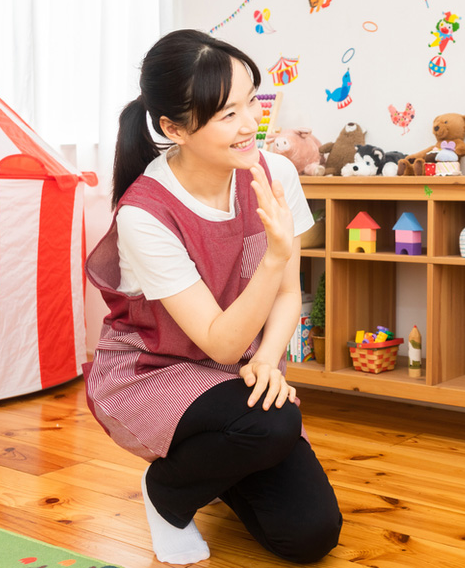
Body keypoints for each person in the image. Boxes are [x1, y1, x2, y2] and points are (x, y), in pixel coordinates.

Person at [84, 29, 341, 565]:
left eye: (251, 101)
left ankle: (221, 463)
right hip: (154, 369)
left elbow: (290, 295)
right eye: (227, 114)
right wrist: (272, 255)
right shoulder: (144, 214)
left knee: (310, 536)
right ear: (173, 127)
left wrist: (269, 362)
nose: (250, 124)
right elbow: (221, 344)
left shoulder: (277, 172)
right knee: (272, 421)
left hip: (237, 370)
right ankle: (168, 496)